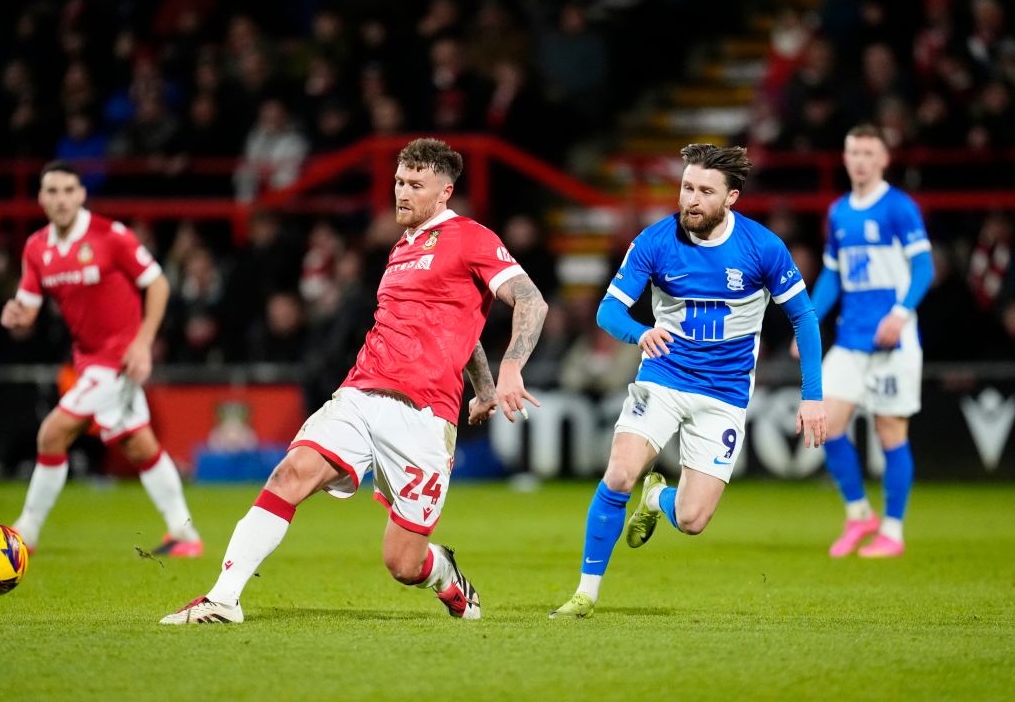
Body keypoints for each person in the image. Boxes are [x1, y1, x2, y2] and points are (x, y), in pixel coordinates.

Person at [160, 138, 548, 624]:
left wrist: (507, 371)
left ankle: (444, 574)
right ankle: (223, 598)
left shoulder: (471, 237)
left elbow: (531, 300)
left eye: (415, 184)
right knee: (291, 473)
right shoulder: (400, 249)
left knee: (403, 563)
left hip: (424, 416)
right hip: (362, 391)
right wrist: (485, 387)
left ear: (445, 191)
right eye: (399, 182)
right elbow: (456, 328)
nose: (402, 193)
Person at [550, 144, 827, 619]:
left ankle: (658, 497)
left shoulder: (763, 248)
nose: (691, 199)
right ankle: (585, 593)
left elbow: (804, 317)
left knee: (694, 520)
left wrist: (814, 397)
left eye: (704, 191)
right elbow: (608, 311)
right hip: (664, 377)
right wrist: (640, 333)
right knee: (618, 473)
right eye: (686, 187)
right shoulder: (655, 241)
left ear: (732, 197)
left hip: (724, 393)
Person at [1, 161, 203, 557]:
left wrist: (143, 343)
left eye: (68, 191)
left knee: (52, 433)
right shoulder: (36, 248)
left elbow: (158, 284)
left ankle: (28, 532)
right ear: (41, 198)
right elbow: (26, 310)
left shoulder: (111, 236)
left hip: (118, 363)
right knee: (139, 447)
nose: (61, 199)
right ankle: (185, 535)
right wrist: (14, 316)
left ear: (81, 195)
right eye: (52, 192)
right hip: (87, 361)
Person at [793, 124, 934, 558]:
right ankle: (859, 515)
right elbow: (834, 272)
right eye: (853, 152)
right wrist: (809, 322)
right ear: (845, 156)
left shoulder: (899, 208)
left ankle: (892, 530)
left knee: (890, 430)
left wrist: (899, 313)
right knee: (825, 424)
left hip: (893, 341)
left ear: (884, 160)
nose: (860, 161)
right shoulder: (838, 212)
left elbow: (924, 268)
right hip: (852, 339)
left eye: (869, 153)